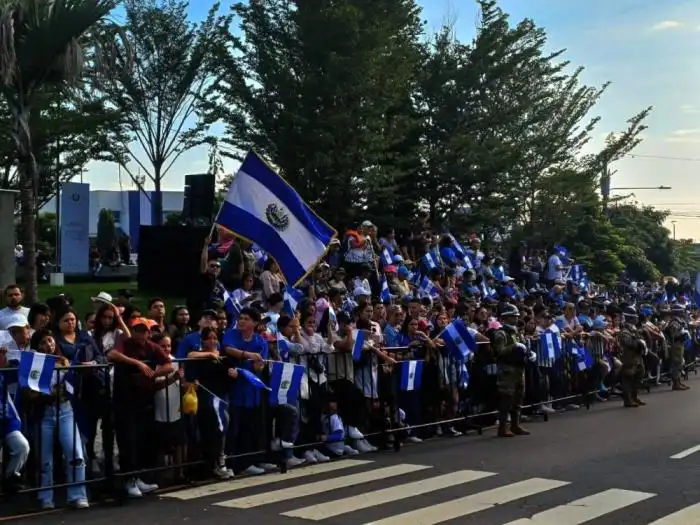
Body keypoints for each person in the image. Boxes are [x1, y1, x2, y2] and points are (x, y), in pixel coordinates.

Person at [491, 304, 535, 437]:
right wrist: (513, 346)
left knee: (518, 398)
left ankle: (515, 425)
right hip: (507, 370)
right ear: (505, 318)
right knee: (506, 399)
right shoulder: (501, 333)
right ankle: (503, 427)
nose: (515, 319)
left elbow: (523, 348)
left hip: (519, 368)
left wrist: (530, 354)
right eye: (512, 317)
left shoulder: (516, 332)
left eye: (516, 317)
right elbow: (499, 352)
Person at [619, 306, 647, 407]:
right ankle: (628, 399)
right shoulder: (625, 331)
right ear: (630, 318)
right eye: (635, 317)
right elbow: (628, 342)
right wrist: (638, 343)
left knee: (639, 375)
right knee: (628, 377)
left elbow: (640, 338)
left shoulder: (634, 329)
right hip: (629, 357)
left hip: (637, 357)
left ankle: (634, 396)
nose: (637, 319)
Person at [664, 304, 690, 391]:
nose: (683, 312)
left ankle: (678, 381)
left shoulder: (679, 321)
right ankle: (675, 383)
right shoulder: (674, 322)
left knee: (680, 363)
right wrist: (681, 335)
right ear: (677, 312)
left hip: (680, 344)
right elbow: (673, 335)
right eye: (681, 311)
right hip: (676, 345)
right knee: (676, 363)